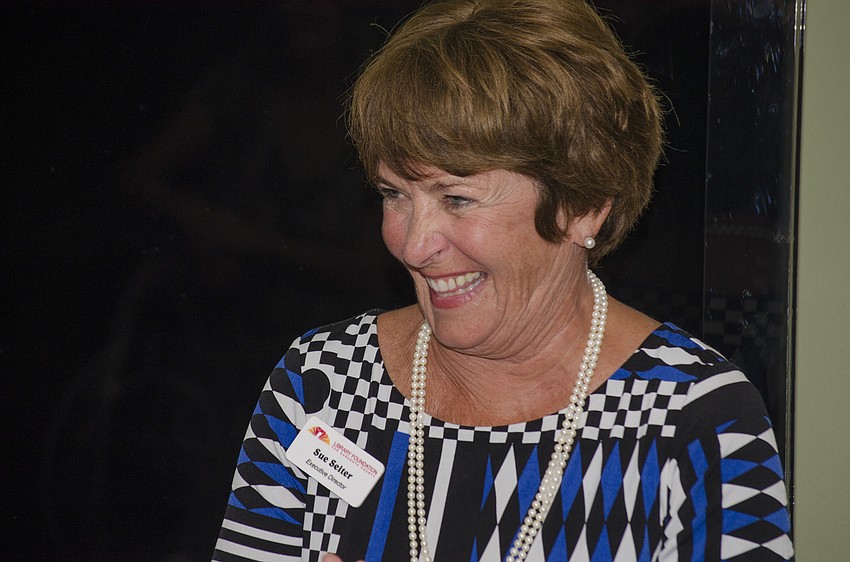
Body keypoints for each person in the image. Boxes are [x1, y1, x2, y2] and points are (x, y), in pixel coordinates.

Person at [213, 0, 793, 560]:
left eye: (458, 198)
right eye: (394, 194)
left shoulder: (697, 423)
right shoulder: (323, 384)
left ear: (583, 205)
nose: (414, 244)